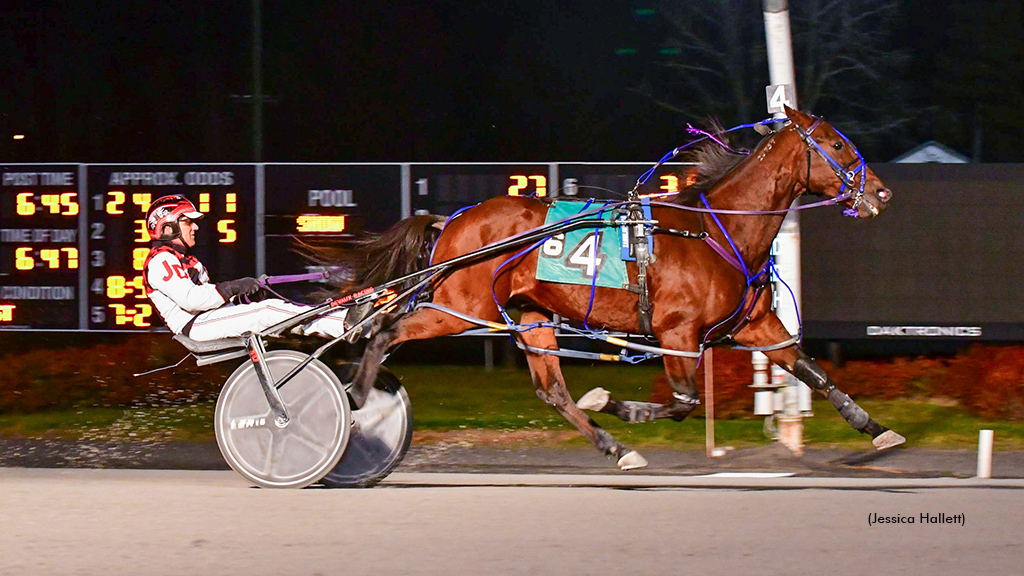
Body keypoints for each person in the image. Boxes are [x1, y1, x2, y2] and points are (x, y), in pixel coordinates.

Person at [142, 194, 364, 342]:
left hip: (207, 318)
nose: (196, 226)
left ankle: (341, 322)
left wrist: (243, 296)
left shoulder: (183, 259)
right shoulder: (161, 261)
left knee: (276, 308)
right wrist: (234, 287)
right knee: (267, 312)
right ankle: (343, 324)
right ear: (167, 226)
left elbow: (208, 299)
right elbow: (193, 300)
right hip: (194, 326)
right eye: (188, 222)